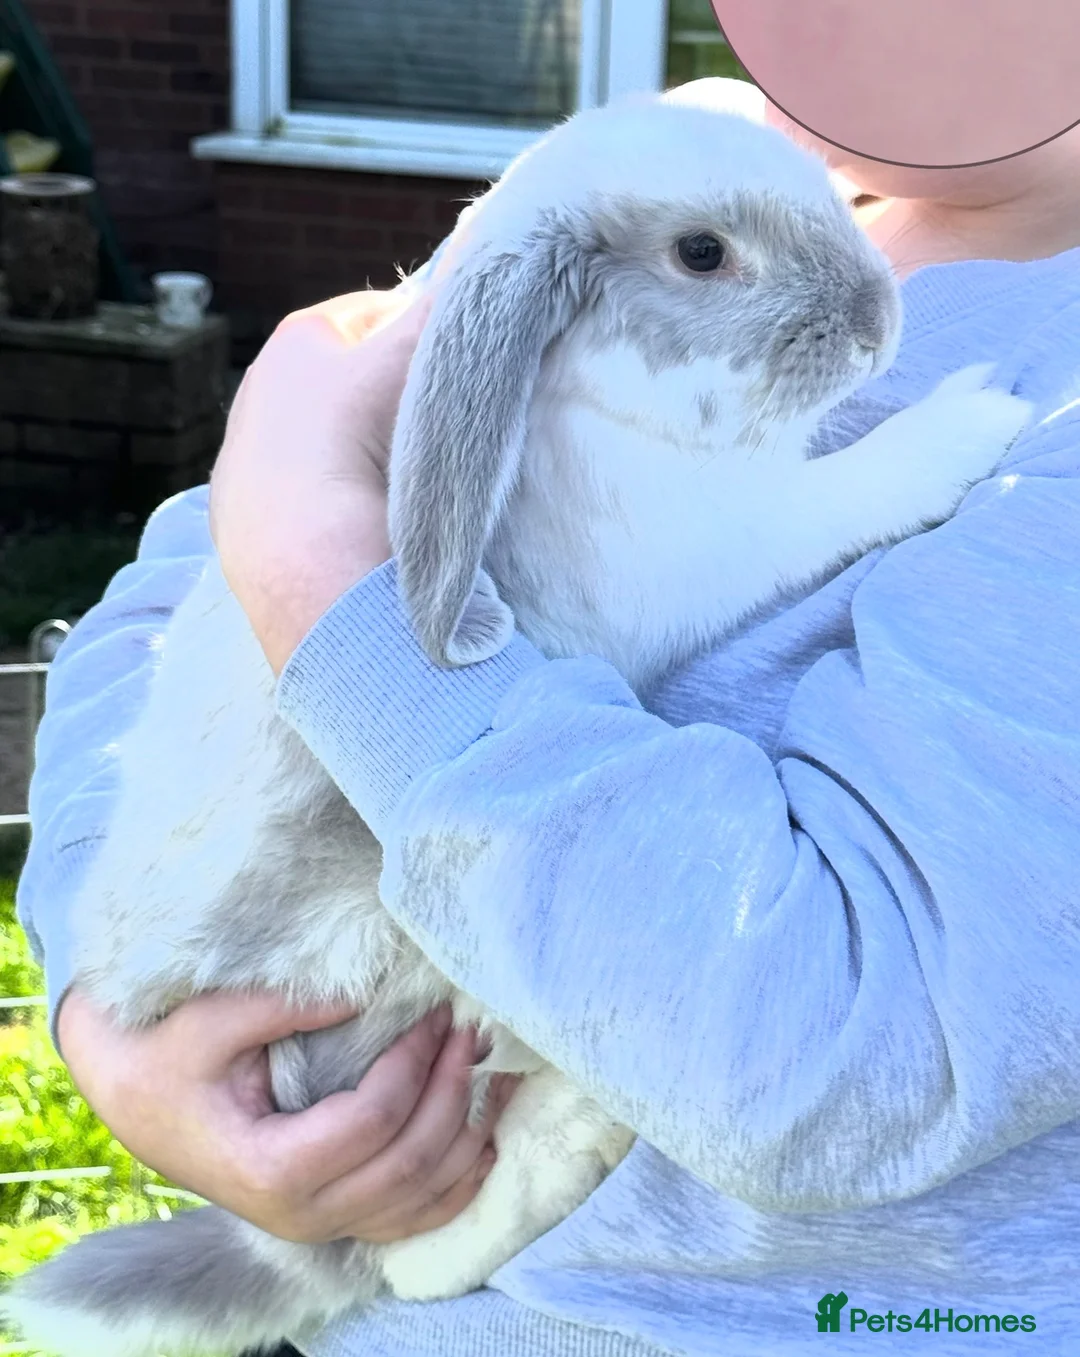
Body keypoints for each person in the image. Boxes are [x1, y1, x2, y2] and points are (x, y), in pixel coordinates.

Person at [16, 79, 1080, 1355]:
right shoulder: (660, 152)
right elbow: (193, 579)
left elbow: (848, 1059)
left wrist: (327, 569)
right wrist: (115, 996)